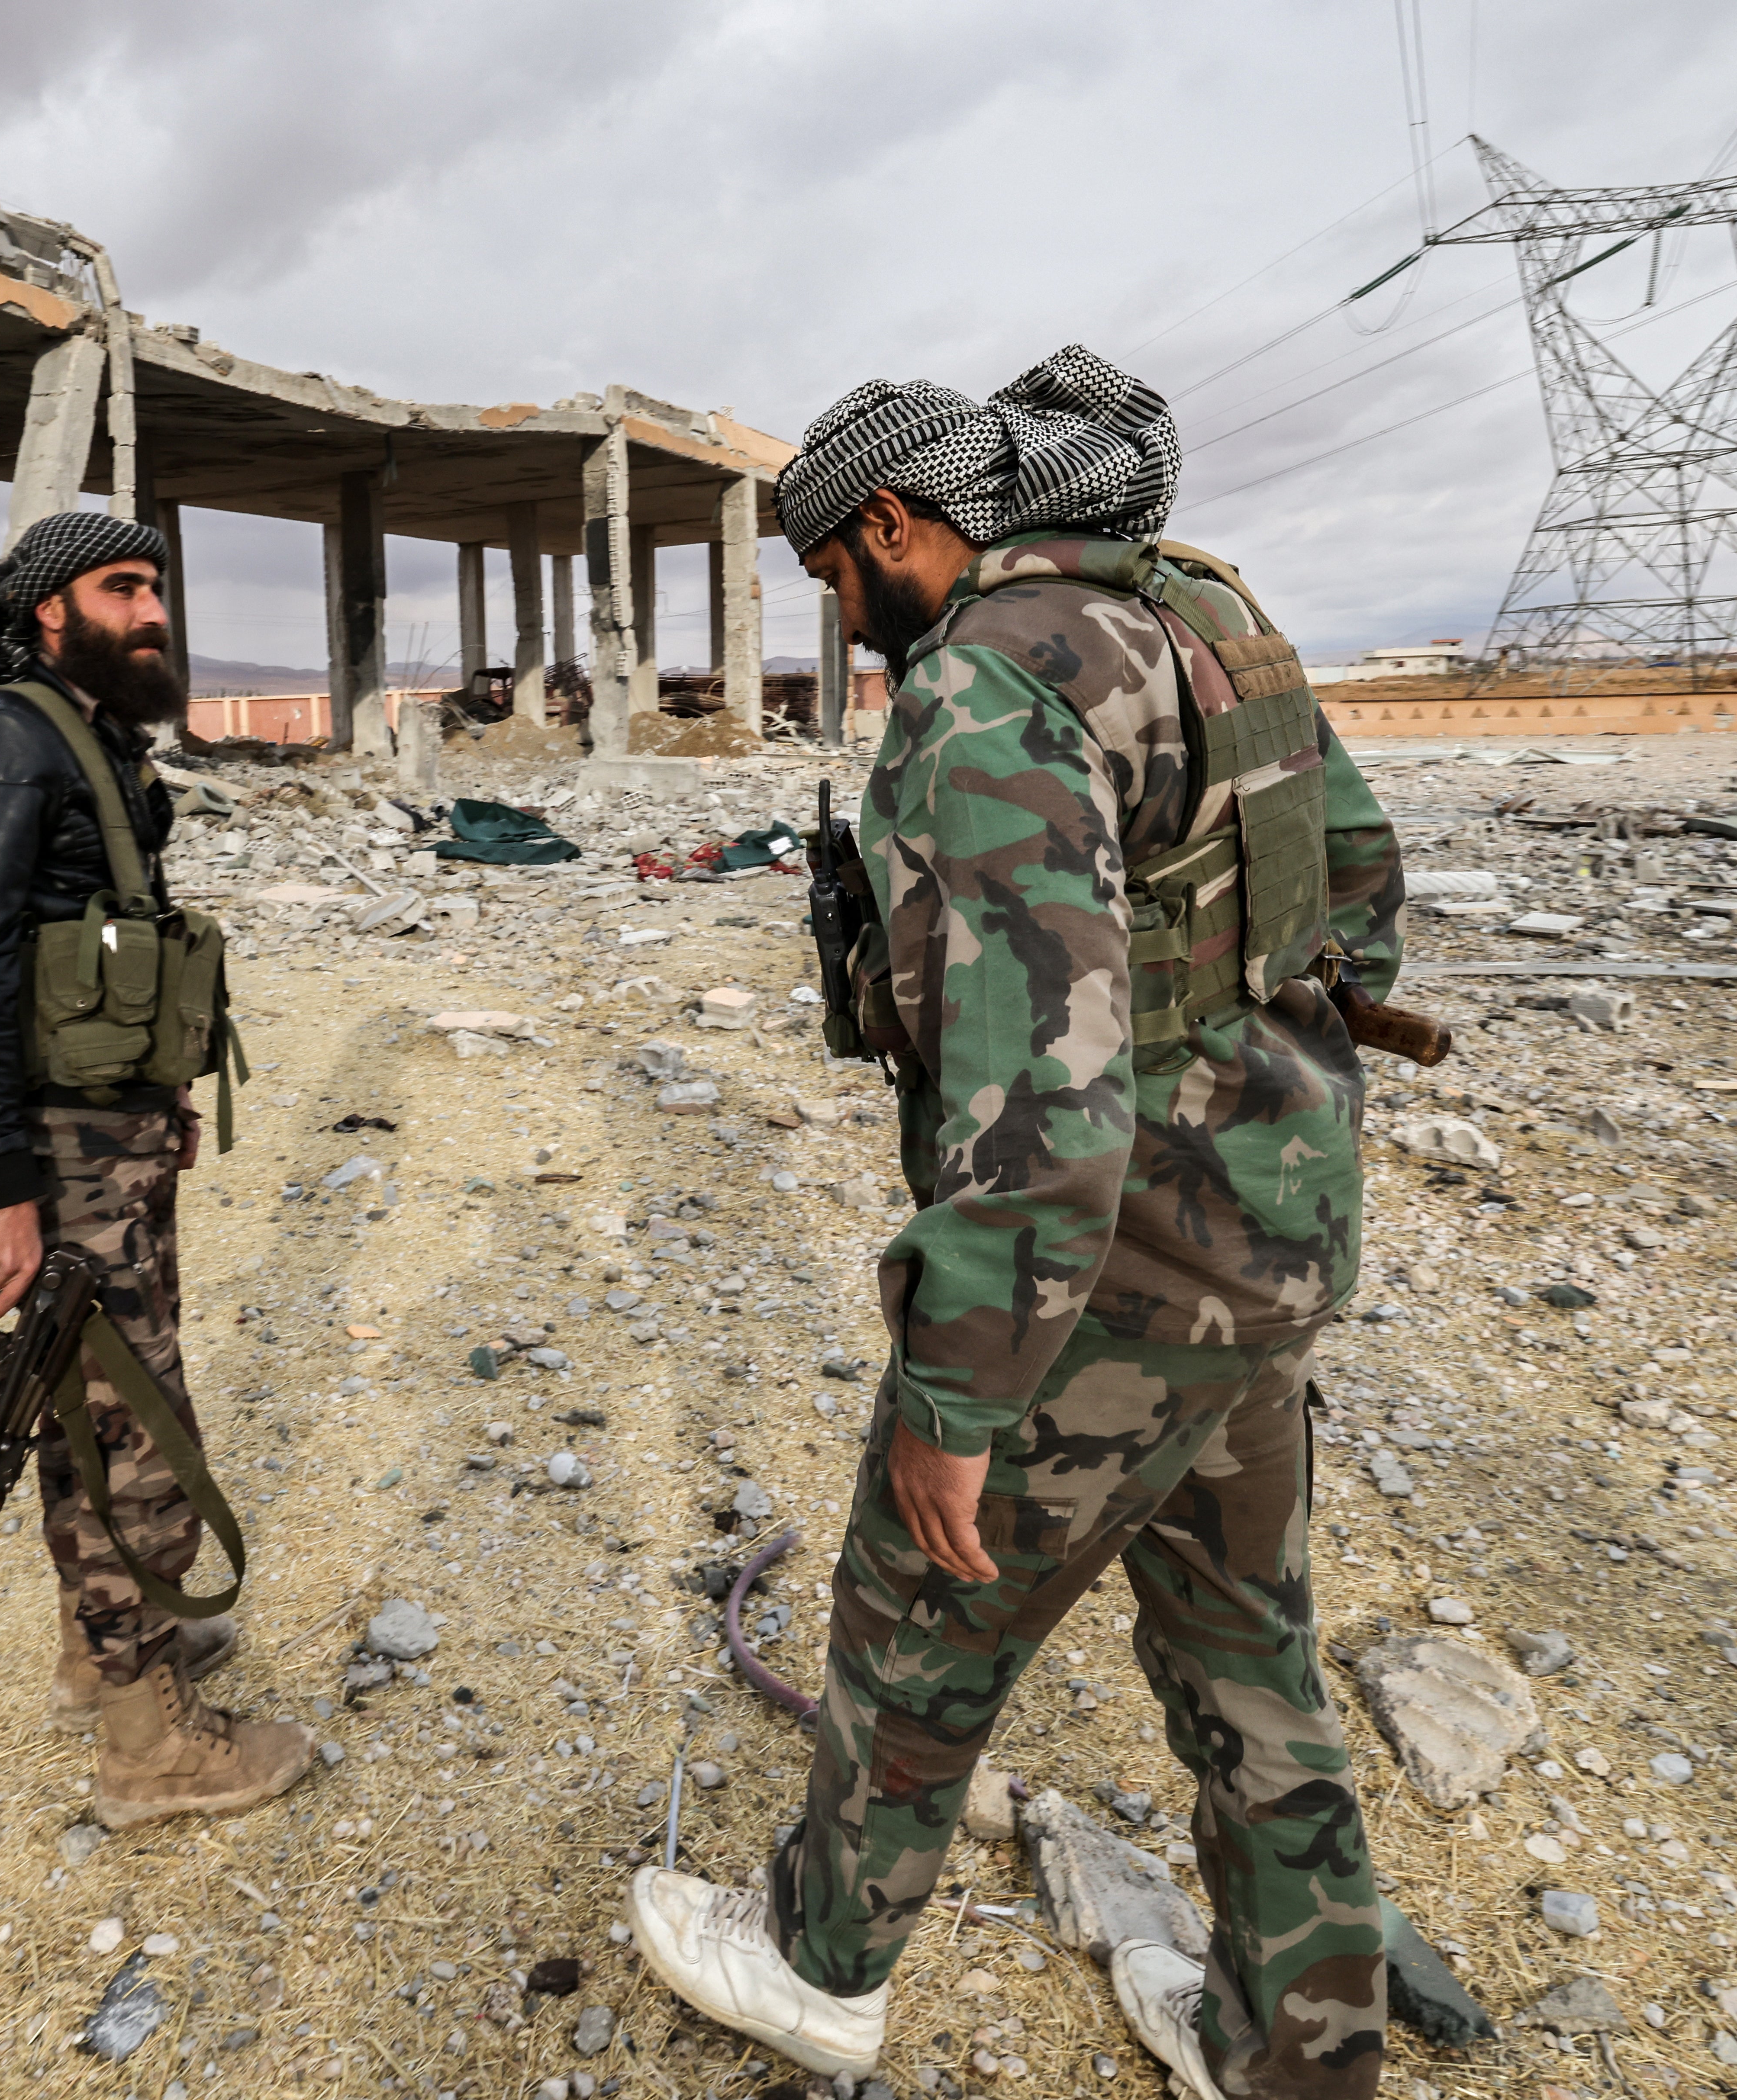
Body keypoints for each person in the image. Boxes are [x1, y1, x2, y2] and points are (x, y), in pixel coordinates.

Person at [626, 349, 1403, 2099]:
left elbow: (1038, 1104)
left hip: (1115, 1284)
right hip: (1273, 1241)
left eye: (834, 573)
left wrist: (957, 1399)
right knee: (1242, 1642)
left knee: (915, 1615)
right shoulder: (1196, 612)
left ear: (895, 521)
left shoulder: (986, 686)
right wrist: (1257, 1099)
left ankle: (819, 1965)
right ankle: (1297, 2052)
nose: (840, 614)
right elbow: (1355, 886)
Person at [0, 508, 311, 1827]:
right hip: (60, 1155)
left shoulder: (85, 738)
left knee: (103, 1411)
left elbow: (106, 941)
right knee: (134, 1430)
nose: (152, 612)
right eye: (121, 589)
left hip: (110, 1131)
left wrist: (165, 1095)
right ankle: (152, 1748)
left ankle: (106, 1650)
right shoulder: (3, 743)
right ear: (47, 613)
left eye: (154, 588)